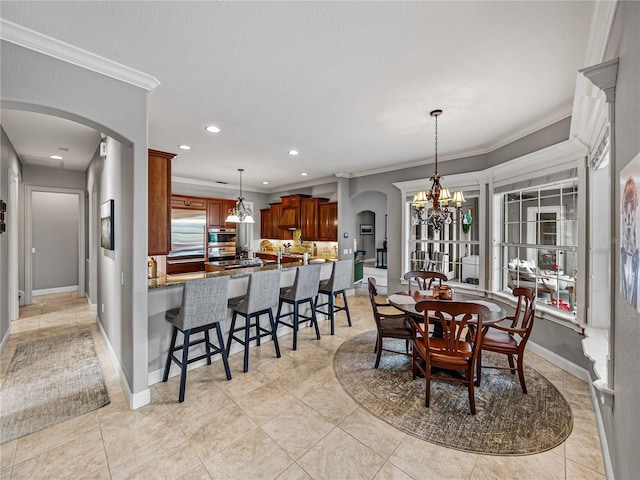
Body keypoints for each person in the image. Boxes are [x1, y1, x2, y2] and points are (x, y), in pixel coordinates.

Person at [621, 177, 639, 308]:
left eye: (631, 202)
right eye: (626, 201)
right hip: (625, 257)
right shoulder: (622, 218)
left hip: (633, 257)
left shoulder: (636, 218)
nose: (628, 206)